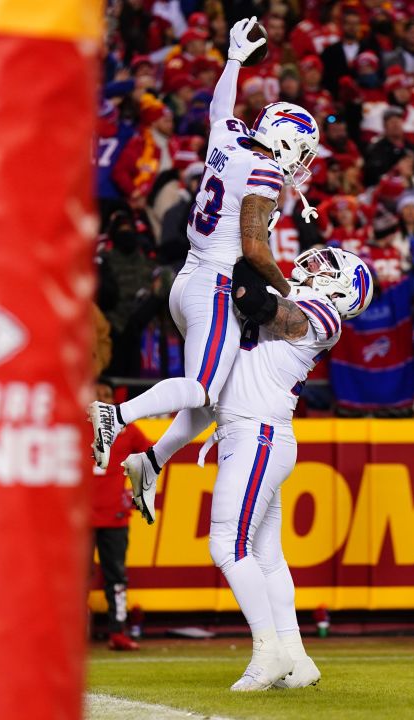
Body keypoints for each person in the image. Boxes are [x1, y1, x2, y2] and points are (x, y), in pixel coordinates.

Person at [88, 19, 321, 506]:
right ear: (284, 142)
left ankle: (149, 462)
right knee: (199, 389)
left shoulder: (231, 140)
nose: (299, 163)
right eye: (301, 151)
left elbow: (220, 109)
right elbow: (255, 248)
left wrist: (234, 60)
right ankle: (117, 416)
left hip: (190, 279)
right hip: (213, 287)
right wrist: (287, 292)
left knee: (212, 396)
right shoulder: (262, 170)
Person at [132, 247, 374, 691]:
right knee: (265, 557)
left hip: (257, 436)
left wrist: (243, 242)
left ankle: (267, 653)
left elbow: (253, 300)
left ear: (342, 287)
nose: (313, 266)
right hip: (253, 435)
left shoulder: (323, 315)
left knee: (226, 544)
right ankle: (297, 658)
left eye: (327, 268)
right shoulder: (305, 301)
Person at [90, 381, 151, 652]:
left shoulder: (126, 429)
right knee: (76, 576)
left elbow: (151, 454)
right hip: (80, 518)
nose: (102, 398)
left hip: (114, 514)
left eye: (106, 395)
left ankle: (118, 632)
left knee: (116, 576)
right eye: (97, 394)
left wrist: (133, 487)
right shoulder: (74, 424)